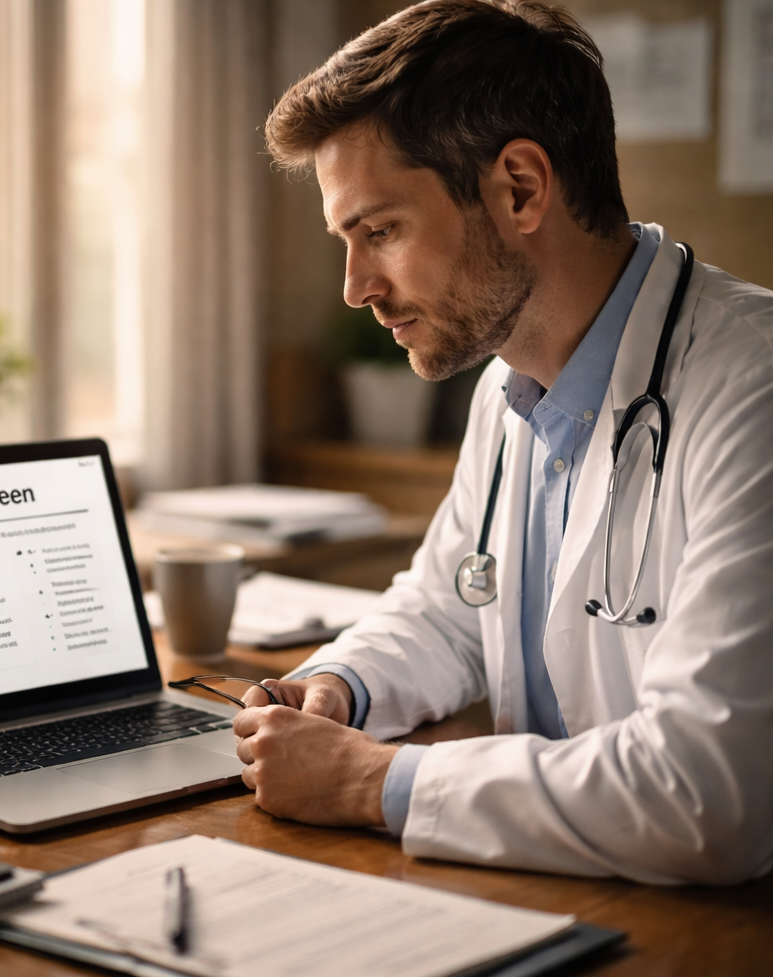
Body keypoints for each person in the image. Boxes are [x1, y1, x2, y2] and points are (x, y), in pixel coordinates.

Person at [232, 0, 773, 885]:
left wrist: (373, 782)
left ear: (520, 187)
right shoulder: (508, 385)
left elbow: (708, 794)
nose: (355, 286)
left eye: (381, 231)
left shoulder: (753, 388)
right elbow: (451, 609)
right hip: (564, 894)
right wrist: (342, 688)